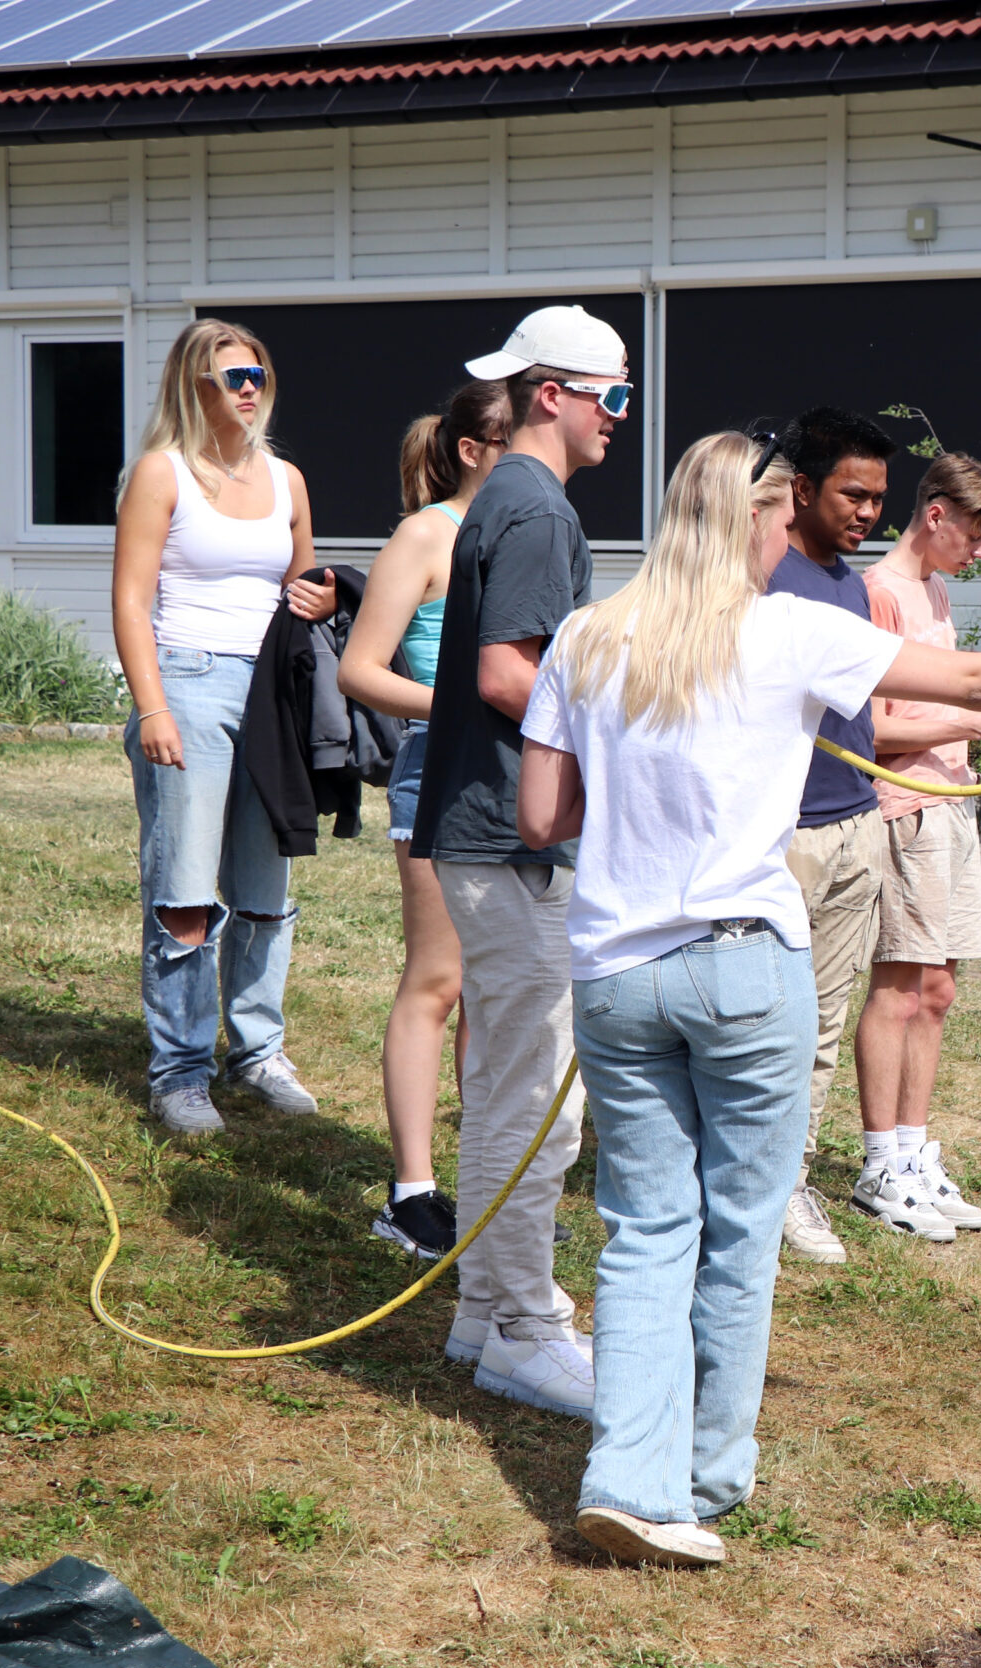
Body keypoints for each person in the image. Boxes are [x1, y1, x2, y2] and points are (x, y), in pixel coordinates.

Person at [516, 430, 981, 1566]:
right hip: (744, 968)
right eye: (778, 520)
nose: (786, 538)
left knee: (643, 1231)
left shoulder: (586, 638)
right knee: (740, 1230)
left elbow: (543, 817)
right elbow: (977, 680)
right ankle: (699, 1483)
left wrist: (639, 805)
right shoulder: (787, 630)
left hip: (617, 979)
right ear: (754, 519)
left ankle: (627, 1479)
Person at [409, 304, 631, 1418]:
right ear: (554, 395)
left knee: (505, 1079)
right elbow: (508, 675)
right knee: (536, 1090)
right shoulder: (538, 508)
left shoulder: (503, 496)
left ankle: (482, 1313)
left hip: (484, 831)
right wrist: (622, 739)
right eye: (613, 396)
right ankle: (524, 1329)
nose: (620, 418)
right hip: (509, 837)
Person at [111, 317, 337, 1138]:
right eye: (232, 377)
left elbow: (300, 588)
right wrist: (153, 706)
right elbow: (131, 598)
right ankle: (180, 1071)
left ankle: (259, 1052)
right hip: (189, 680)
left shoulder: (288, 479)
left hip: (271, 689)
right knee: (185, 891)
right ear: (193, 387)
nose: (249, 389)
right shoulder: (160, 472)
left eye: (258, 375)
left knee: (266, 887)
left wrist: (324, 595)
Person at [337, 380, 511, 1260]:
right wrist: (462, 708)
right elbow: (360, 669)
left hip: (514, 781)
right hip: (440, 774)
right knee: (438, 981)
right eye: (516, 439)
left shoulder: (527, 532)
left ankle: (487, 1179)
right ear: (473, 450)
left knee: (496, 989)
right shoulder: (426, 535)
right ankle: (410, 1195)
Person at [852, 454, 981, 1238]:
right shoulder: (876, 593)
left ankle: (913, 1153)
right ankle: (878, 1166)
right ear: (935, 514)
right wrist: (973, 721)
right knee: (898, 989)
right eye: (975, 532)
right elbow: (868, 729)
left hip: (953, 805)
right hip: (907, 810)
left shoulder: (934, 590)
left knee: (938, 992)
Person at [761, 407, 909, 1261]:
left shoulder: (852, 586)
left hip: (857, 823)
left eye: (879, 497)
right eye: (854, 494)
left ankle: (790, 1182)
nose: (868, 512)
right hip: (782, 836)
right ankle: (734, 1177)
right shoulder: (762, 574)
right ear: (803, 488)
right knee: (759, 1021)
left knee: (820, 1024)